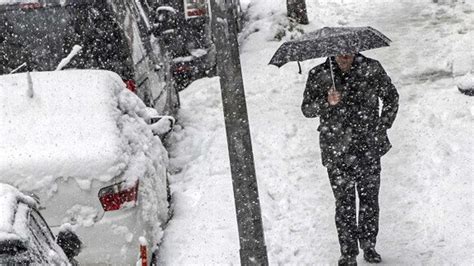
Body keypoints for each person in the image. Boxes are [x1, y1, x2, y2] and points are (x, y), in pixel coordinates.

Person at [301, 53, 399, 265]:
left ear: (356, 50)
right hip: (336, 149)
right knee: (344, 203)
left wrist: (382, 125)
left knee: (369, 200)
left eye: (349, 53)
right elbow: (306, 109)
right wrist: (326, 102)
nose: (345, 57)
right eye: (340, 54)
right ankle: (348, 252)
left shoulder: (371, 68)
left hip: (368, 146)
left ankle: (369, 245)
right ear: (332, 53)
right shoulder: (319, 74)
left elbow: (391, 96)